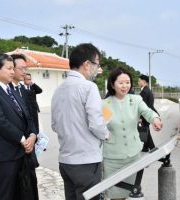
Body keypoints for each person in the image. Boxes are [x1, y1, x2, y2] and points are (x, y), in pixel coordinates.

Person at [51, 43, 109, 200]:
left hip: (65, 161)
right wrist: (106, 134)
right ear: (87, 64)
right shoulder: (88, 87)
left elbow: (55, 125)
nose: (97, 68)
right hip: (86, 161)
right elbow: (96, 124)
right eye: (97, 64)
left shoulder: (58, 89)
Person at [0, 53, 38, 200]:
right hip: (4, 156)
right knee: (5, 195)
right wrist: (22, 139)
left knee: (23, 194)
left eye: (13, 68)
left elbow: (28, 116)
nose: (13, 72)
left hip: (23, 154)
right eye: (9, 68)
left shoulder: (13, 91)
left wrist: (32, 135)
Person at [103, 67, 162, 200]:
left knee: (130, 192)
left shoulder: (136, 100)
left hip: (133, 155)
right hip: (113, 158)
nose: (125, 86)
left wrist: (155, 119)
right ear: (112, 84)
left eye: (128, 82)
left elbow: (147, 111)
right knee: (114, 195)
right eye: (121, 83)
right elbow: (100, 127)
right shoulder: (105, 104)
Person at [137, 74, 158, 152]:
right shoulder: (148, 90)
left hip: (146, 115)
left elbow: (143, 106)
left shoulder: (144, 91)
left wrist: (140, 118)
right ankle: (145, 147)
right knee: (145, 130)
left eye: (139, 81)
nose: (138, 82)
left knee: (146, 131)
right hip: (148, 114)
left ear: (144, 81)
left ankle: (153, 148)